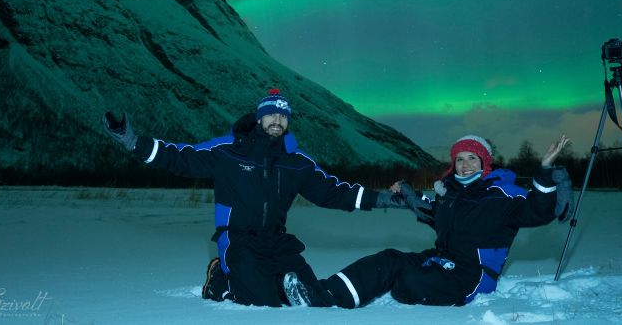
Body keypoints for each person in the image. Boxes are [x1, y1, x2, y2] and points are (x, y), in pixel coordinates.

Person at [102, 88, 404, 307]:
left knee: (310, 295)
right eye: (271, 113)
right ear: (260, 118)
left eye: (283, 115)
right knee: (261, 302)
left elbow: (333, 191)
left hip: (276, 241)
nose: (277, 119)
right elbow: (182, 158)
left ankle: (272, 283)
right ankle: (220, 277)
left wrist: (381, 200)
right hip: (238, 240)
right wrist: (134, 143)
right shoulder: (229, 151)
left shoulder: (295, 161)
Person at [283, 133, 573, 308]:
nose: (465, 164)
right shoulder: (452, 194)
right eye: (460, 159)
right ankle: (321, 295)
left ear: (484, 163)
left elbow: (539, 211)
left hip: (470, 278)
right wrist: (408, 194)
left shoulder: (501, 194)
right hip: (441, 261)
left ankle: (362, 292)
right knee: (388, 259)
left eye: (472, 158)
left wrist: (545, 171)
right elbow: (431, 212)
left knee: (405, 280)